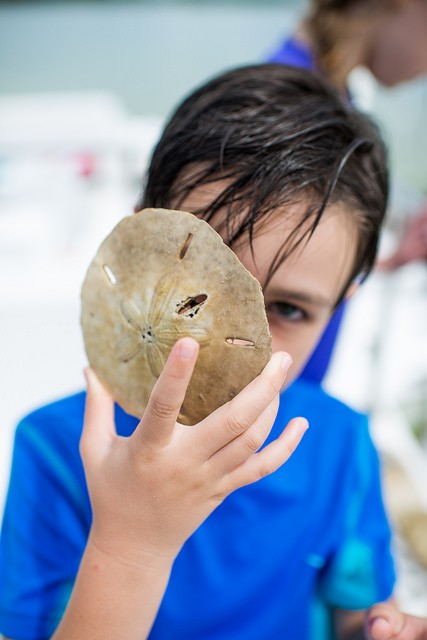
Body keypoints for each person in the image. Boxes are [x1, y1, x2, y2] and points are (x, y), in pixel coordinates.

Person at [1, 63, 427, 640]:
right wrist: (131, 543)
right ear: (137, 245)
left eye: (289, 310)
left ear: (339, 304)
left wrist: (381, 628)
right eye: (205, 282)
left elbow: (355, 613)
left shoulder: (341, 445)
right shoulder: (56, 453)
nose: (235, 341)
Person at [268, 0, 427, 383]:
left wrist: (384, 260)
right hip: (264, 404)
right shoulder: (291, 107)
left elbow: (297, 258)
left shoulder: (326, 94)